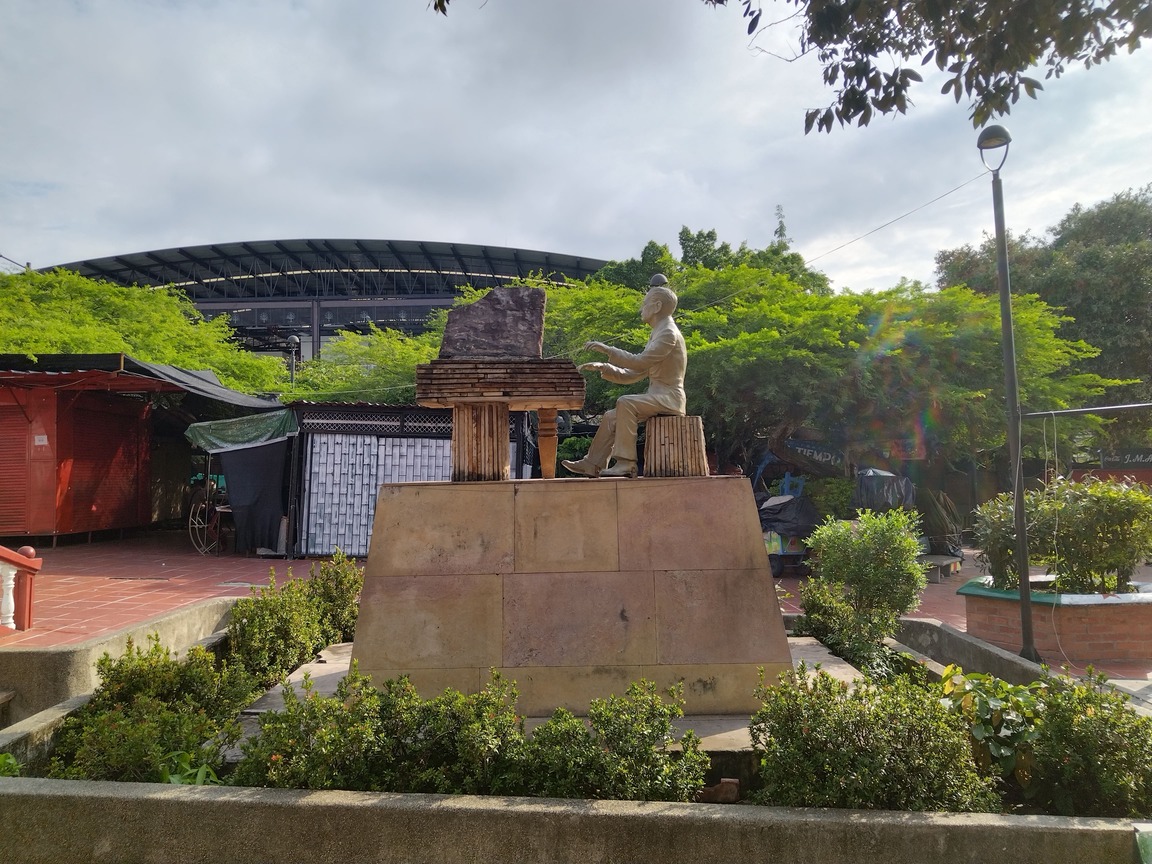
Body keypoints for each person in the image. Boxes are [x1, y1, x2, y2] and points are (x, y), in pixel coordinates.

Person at [562, 274, 687, 478]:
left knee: (626, 403)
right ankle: (592, 464)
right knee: (612, 416)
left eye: (644, 304)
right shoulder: (659, 332)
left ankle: (626, 463)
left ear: (656, 307)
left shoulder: (668, 334)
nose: (641, 309)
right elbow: (634, 373)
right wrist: (605, 367)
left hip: (670, 398)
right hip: (658, 396)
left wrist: (608, 350)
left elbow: (638, 362)